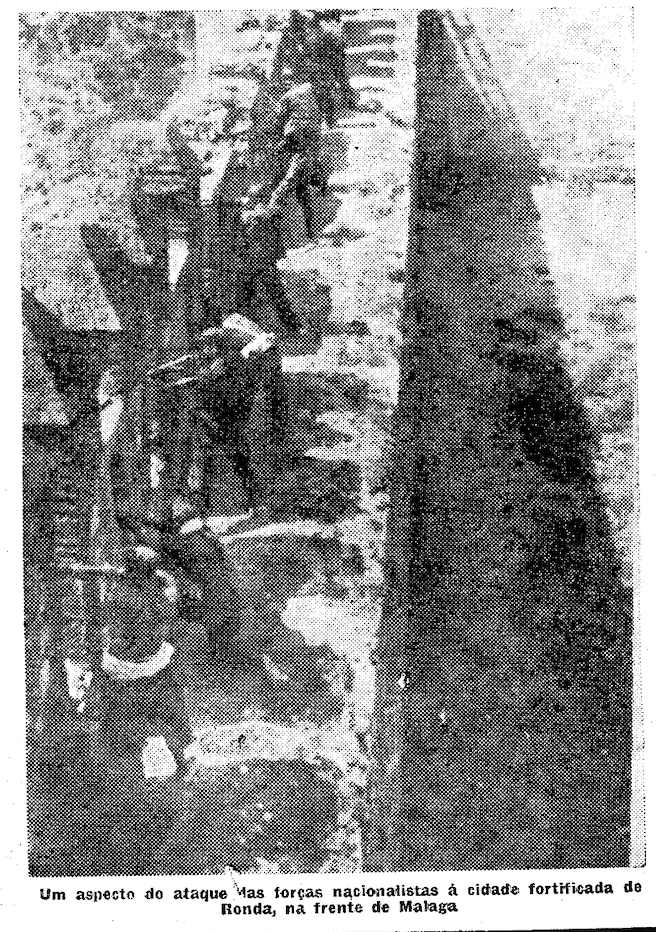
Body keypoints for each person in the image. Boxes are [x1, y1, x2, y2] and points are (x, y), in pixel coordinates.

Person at [93, 544, 193, 779]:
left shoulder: (128, 593)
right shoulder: (138, 594)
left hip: (147, 663)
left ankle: (175, 759)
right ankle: (131, 767)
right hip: (133, 665)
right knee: (154, 715)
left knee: (162, 714)